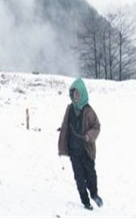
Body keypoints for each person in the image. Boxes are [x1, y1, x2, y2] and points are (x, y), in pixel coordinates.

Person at [58, 78, 103, 210]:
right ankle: (85, 201)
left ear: (82, 94)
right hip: (74, 150)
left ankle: (94, 194)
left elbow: (97, 126)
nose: (75, 97)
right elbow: (65, 126)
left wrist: (89, 136)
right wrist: (62, 145)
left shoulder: (89, 111)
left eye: (78, 94)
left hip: (86, 150)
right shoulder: (69, 109)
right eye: (73, 94)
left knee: (90, 175)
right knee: (79, 178)